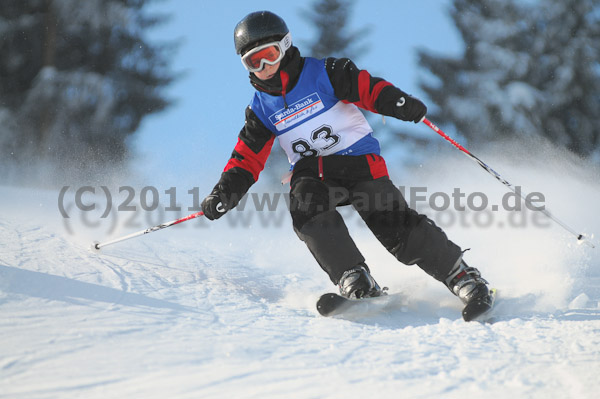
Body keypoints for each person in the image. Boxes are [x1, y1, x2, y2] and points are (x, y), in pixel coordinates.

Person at [201, 11, 493, 319]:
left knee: (392, 224)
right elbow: (246, 157)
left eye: (270, 55)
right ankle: (354, 278)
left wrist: (398, 103)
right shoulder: (261, 109)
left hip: (360, 163)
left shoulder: (325, 72)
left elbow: (367, 88)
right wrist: (224, 194)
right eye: (253, 62)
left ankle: (462, 276)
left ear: (286, 46)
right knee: (304, 203)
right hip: (316, 174)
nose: (264, 67)